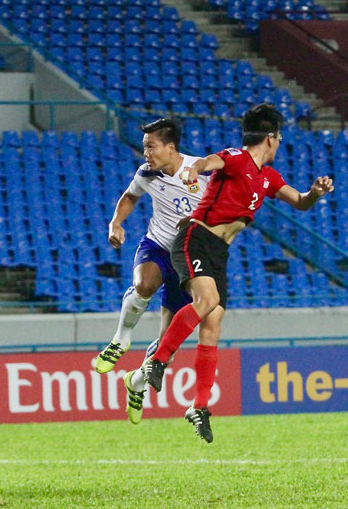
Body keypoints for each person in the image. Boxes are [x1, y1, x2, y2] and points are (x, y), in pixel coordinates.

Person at [139, 103, 334, 443]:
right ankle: (157, 360)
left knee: (212, 326)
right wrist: (191, 170)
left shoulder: (269, 177)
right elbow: (205, 163)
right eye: (280, 137)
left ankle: (198, 406)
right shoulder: (236, 158)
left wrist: (314, 194)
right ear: (270, 138)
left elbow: (300, 202)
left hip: (219, 253)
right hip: (195, 237)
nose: (280, 143)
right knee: (208, 299)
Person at [93, 118, 209, 424]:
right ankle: (121, 338)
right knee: (144, 284)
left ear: (170, 147)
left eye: (150, 146)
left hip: (188, 257)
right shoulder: (147, 173)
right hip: (157, 245)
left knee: (167, 342)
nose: (145, 152)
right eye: (145, 146)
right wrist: (115, 223)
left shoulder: (203, 171)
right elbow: (130, 196)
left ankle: (136, 383)